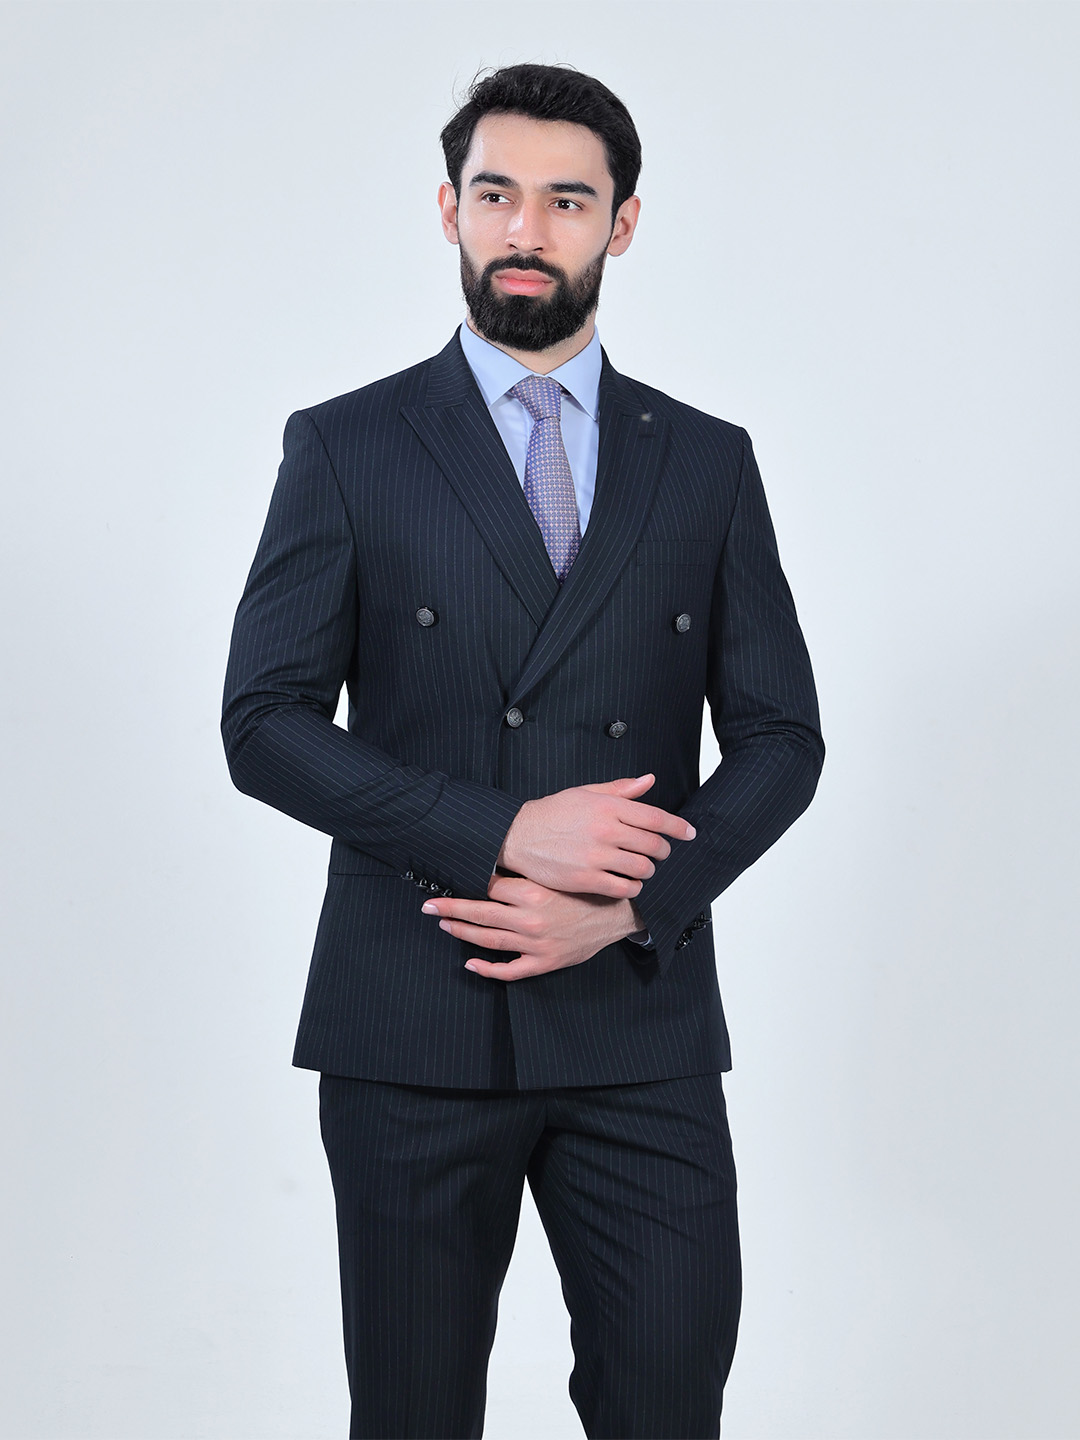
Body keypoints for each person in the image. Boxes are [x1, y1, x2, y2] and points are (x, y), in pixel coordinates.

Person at [222, 62, 823, 1440]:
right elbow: (263, 723)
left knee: (668, 1401)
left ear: (622, 224)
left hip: (641, 1023)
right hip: (410, 1018)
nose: (526, 230)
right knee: (414, 1415)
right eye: (497, 195)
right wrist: (497, 831)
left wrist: (634, 904)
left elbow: (782, 739)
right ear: (449, 210)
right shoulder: (349, 446)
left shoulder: (707, 461)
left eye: (567, 200)